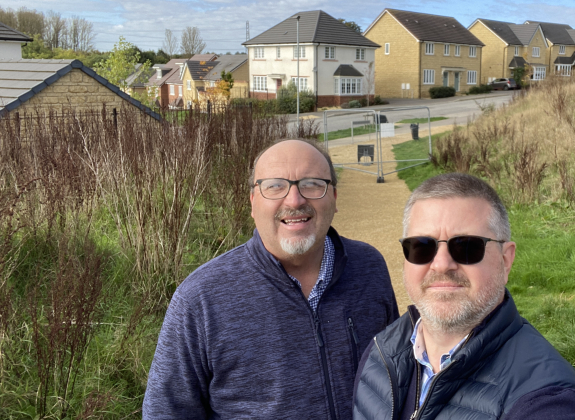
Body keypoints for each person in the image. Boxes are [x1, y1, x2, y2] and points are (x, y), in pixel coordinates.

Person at [144, 138, 399, 420]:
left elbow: (397, 375)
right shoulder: (200, 298)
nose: (295, 200)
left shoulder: (369, 267)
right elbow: (166, 411)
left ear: (334, 198)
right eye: (275, 186)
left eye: (312, 183)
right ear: (253, 202)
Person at [353, 173, 575, 420]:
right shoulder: (379, 354)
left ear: (505, 260)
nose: (441, 264)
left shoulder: (549, 403)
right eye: (423, 246)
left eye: (466, 247)